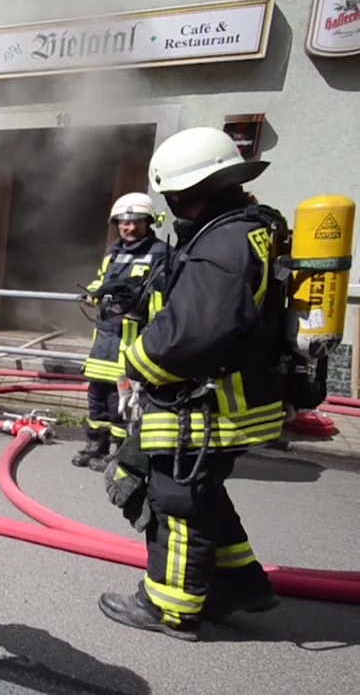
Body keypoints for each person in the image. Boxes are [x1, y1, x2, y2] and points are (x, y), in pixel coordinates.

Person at [99, 126, 284, 641]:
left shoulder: (223, 243)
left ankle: (169, 606)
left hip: (206, 403)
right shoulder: (241, 230)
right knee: (202, 494)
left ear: (188, 191)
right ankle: (239, 584)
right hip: (231, 397)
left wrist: (135, 362)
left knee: (176, 501)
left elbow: (189, 335)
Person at [74, 193, 170, 471]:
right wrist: (93, 293)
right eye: (124, 222)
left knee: (123, 402)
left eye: (136, 222)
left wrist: (140, 312)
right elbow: (102, 280)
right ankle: (96, 445)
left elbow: (161, 299)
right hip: (104, 340)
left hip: (132, 343)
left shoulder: (159, 254)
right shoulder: (114, 251)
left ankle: (119, 453)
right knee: (96, 398)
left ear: (149, 222)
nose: (129, 228)